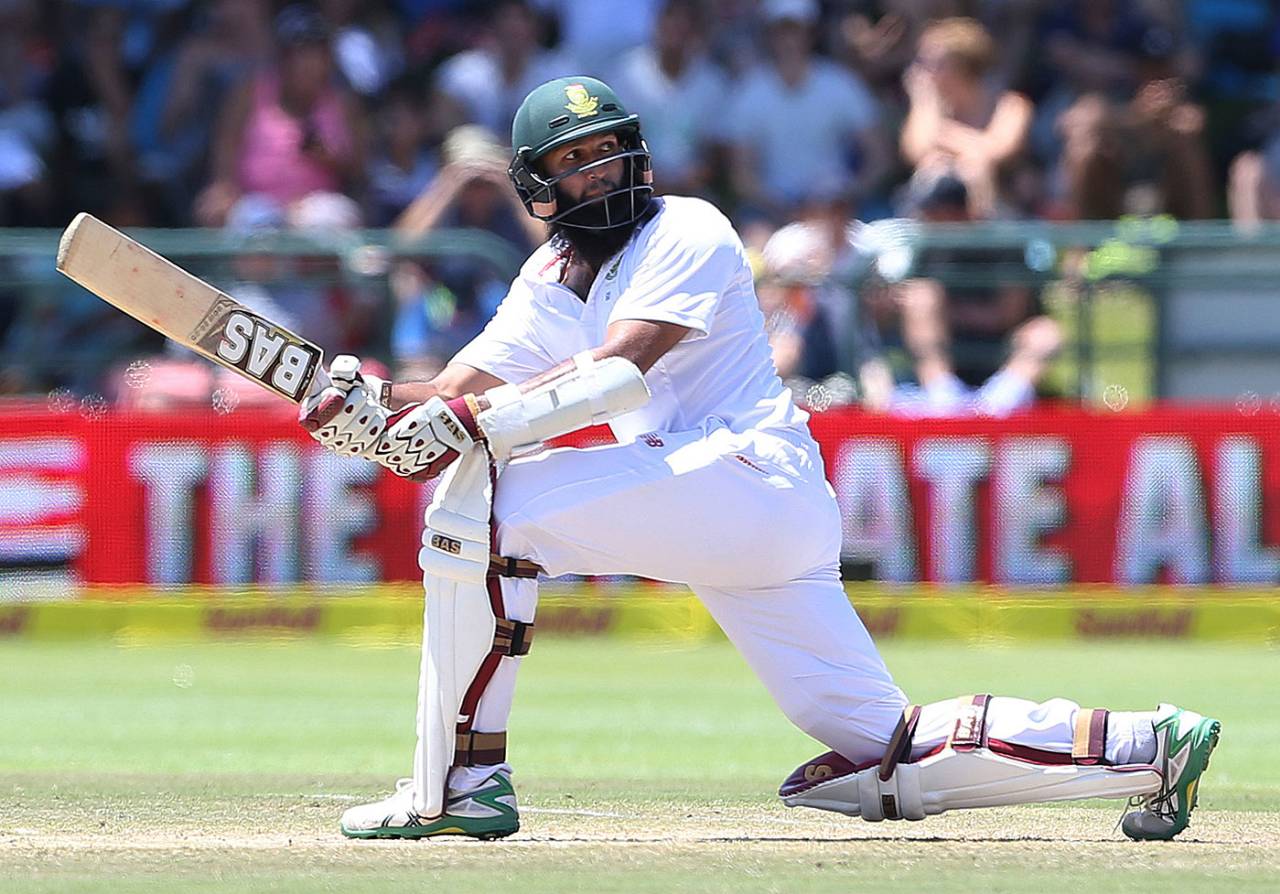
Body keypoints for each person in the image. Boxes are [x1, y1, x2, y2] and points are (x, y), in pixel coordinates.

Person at [298, 75, 1219, 842]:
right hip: (730, 511)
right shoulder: (546, 277)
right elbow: (464, 383)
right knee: (879, 749)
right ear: (538, 185)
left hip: (742, 477)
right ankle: (1149, 745)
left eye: (610, 148)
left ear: (640, 152)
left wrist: (464, 428)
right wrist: (373, 402)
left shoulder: (687, 228)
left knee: (482, 510)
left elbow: (615, 376)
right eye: (576, 160)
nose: (601, 169)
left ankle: (460, 785)